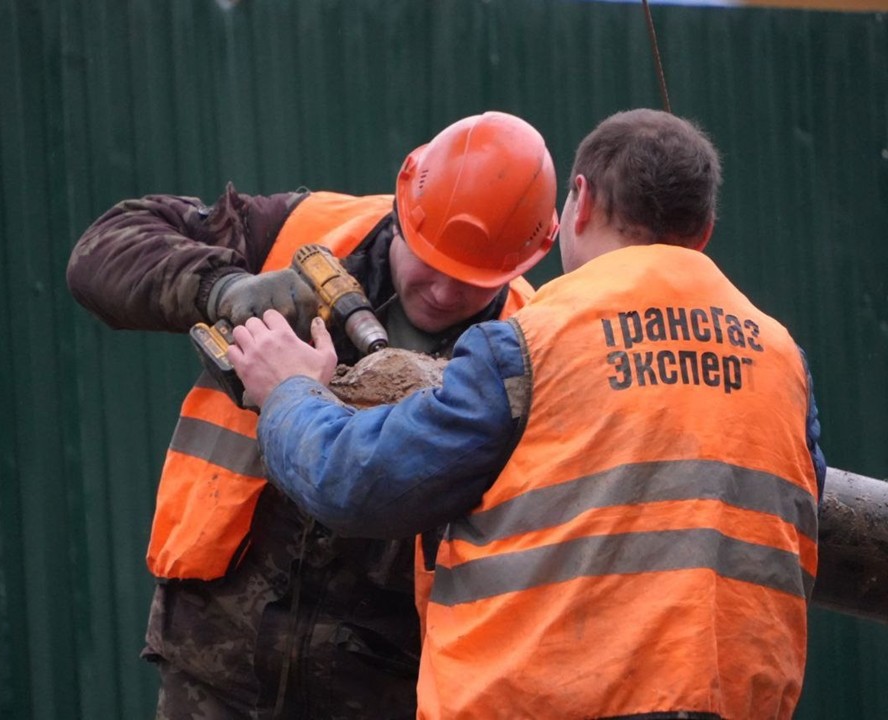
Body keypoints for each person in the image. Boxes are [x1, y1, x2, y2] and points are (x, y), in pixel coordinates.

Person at [228, 108, 826, 720]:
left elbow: (354, 483)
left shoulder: (529, 345)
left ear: (580, 202)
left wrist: (288, 393)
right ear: (702, 231)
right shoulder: (784, 362)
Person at [66, 111, 558, 719]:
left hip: (377, 687)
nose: (441, 292)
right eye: (428, 262)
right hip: (214, 665)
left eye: (470, 281)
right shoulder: (305, 229)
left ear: (526, 260)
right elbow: (102, 250)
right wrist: (220, 289)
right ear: (406, 207)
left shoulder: (530, 351)